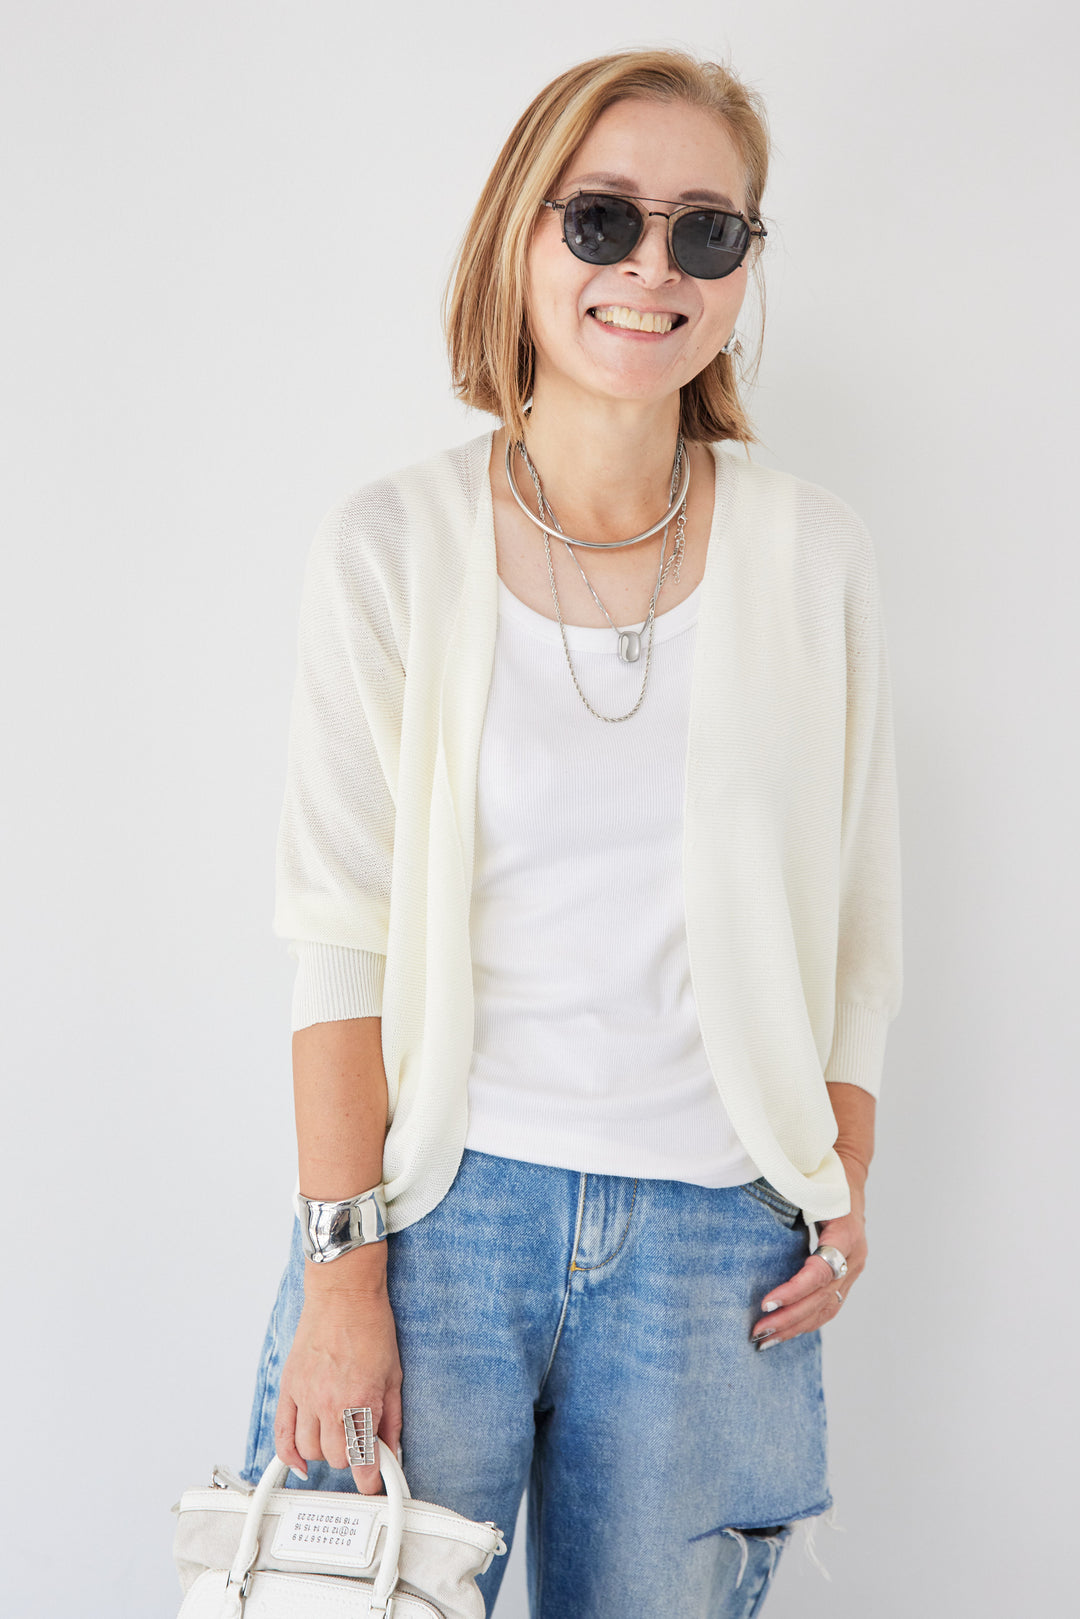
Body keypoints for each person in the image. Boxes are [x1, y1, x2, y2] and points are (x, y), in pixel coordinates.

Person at [241, 46, 903, 1618]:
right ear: (519, 236)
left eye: (706, 231)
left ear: (743, 263)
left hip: (713, 1244)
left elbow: (860, 918)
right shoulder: (391, 546)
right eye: (602, 219)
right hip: (438, 1224)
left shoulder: (814, 555)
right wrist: (343, 1273)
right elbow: (337, 940)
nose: (653, 268)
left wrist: (843, 1173)